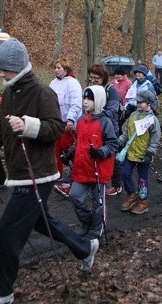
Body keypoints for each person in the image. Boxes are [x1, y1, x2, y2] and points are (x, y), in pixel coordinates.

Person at [0, 38, 99, 304]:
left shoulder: (41, 92)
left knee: (8, 233)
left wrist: (27, 125)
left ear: (16, 66)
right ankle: (86, 248)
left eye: (4, 68)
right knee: (42, 221)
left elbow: (56, 128)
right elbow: (1, 131)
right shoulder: (10, 93)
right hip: (21, 171)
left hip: (39, 174)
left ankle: (1, 292)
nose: (0, 73)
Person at [62, 85, 118, 238]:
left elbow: (113, 144)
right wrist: (69, 154)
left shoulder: (105, 121)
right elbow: (79, 142)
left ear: (98, 101)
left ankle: (96, 232)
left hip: (98, 169)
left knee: (98, 203)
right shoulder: (80, 120)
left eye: (90, 99)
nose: (85, 102)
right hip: (82, 168)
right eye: (84, 98)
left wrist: (101, 152)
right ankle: (87, 220)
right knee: (75, 196)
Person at [119, 90, 161, 214]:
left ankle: (143, 201)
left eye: (141, 102)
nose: (138, 104)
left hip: (144, 155)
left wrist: (150, 153)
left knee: (142, 180)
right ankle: (132, 194)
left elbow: (155, 139)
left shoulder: (153, 120)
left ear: (148, 103)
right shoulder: (133, 115)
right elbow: (126, 132)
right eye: (137, 101)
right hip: (131, 152)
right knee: (125, 173)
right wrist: (118, 143)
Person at [84, 65, 123, 197]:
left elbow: (112, 109)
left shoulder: (111, 90)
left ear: (103, 77)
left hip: (110, 127)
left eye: (96, 78)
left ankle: (117, 185)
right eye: (91, 77)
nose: (93, 80)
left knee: (112, 155)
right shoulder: (91, 89)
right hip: (94, 126)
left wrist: (99, 115)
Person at [50, 58, 82, 198]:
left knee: (70, 152)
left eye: (59, 68)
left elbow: (76, 103)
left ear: (66, 69)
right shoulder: (53, 83)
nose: (56, 70)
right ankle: (57, 174)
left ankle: (76, 178)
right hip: (56, 122)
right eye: (55, 67)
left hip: (69, 125)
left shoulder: (73, 84)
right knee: (55, 149)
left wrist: (71, 119)